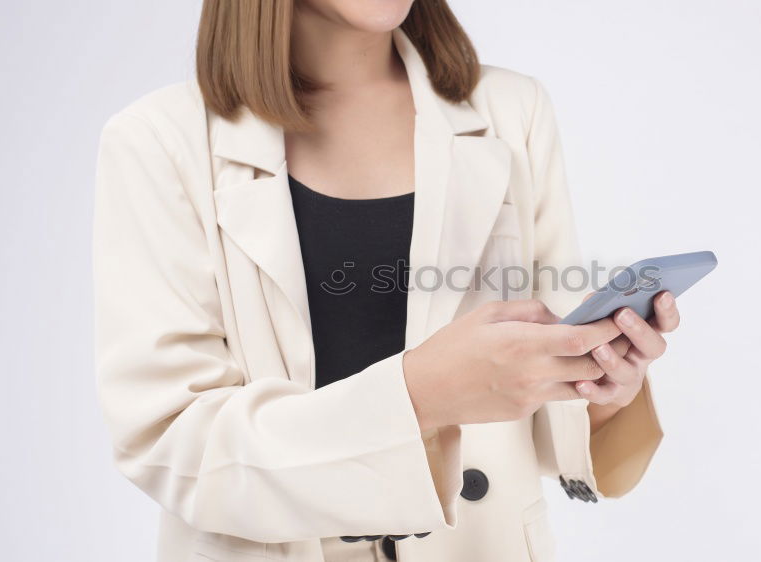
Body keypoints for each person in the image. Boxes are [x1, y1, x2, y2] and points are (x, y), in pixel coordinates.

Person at [93, 0, 679, 560]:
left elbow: (545, 388)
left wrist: (602, 383)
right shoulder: (159, 141)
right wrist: (420, 393)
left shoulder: (511, 110)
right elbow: (170, 438)